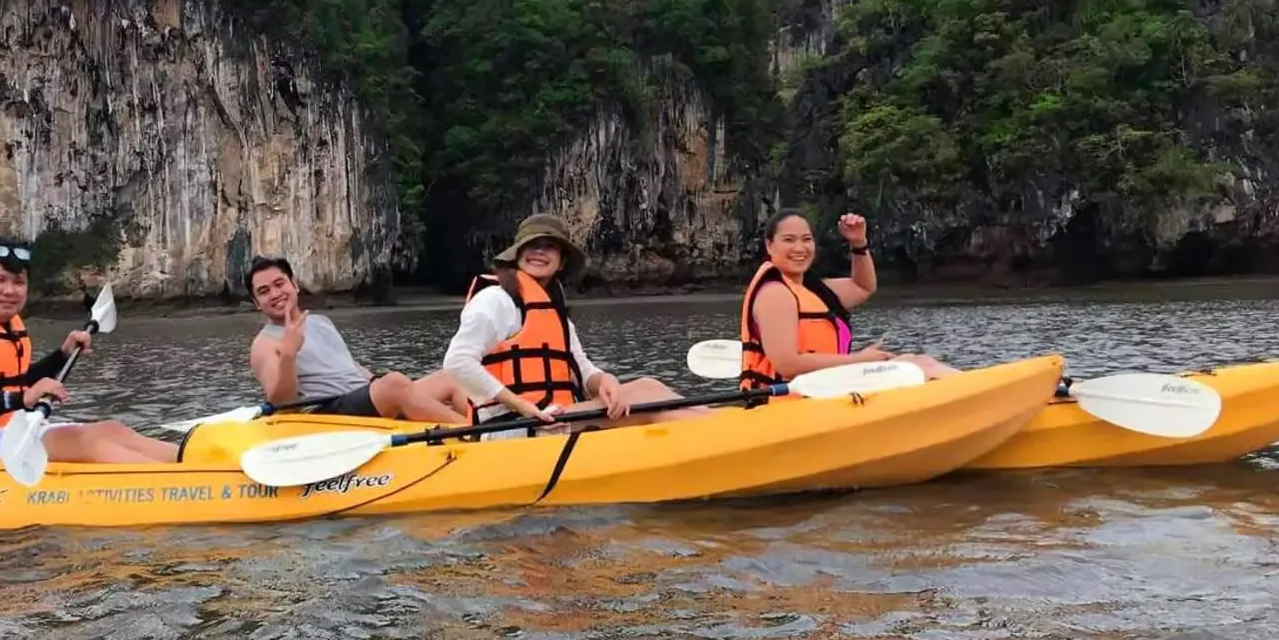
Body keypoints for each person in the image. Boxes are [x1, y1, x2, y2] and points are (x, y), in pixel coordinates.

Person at [0, 235, 180, 463]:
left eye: (19, 282)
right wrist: (20, 400)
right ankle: (179, 489)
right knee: (86, 442)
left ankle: (197, 464)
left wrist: (62, 356)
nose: (10, 290)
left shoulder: (3, 323)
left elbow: (9, 382)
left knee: (113, 430)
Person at [442, 213, 709, 433]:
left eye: (549, 246)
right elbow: (457, 362)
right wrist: (522, 406)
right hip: (513, 426)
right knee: (650, 401)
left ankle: (721, 422)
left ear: (561, 261)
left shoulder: (554, 313)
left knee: (648, 386)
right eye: (531, 245)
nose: (539, 252)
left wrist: (605, 381)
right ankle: (715, 437)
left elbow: (582, 370)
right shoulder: (495, 300)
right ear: (518, 255)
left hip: (551, 417)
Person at [738, 209, 958, 389]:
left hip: (823, 389)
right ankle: (981, 397)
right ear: (769, 245)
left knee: (917, 361)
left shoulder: (811, 289)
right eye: (789, 240)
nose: (799, 248)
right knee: (918, 368)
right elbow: (787, 364)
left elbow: (863, 287)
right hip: (790, 402)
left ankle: (979, 394)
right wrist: (859, 360)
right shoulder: (775, 293)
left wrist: (858, 243)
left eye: (806, 239)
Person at [246, 255, 469, 425]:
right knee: (394, 384)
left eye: (279, 284)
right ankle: (472, 435)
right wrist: (288, 356)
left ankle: (483, 425)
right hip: (326, 415)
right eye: (264, 291)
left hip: (362, 397)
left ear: (294, 284)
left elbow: (349, 367)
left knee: (449, 377)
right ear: (257, 302)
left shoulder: (320, 321)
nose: (275, 294)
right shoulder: (264, 345)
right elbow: (283, 406)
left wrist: (390, 386)